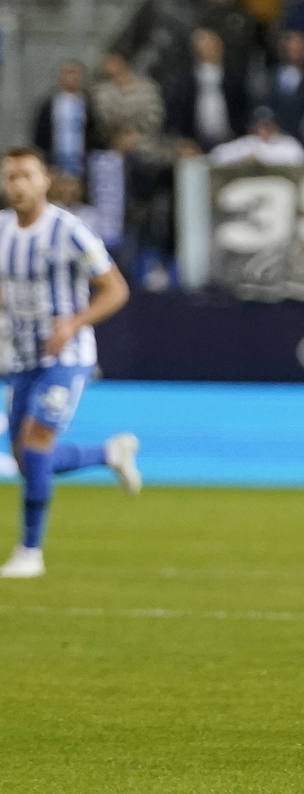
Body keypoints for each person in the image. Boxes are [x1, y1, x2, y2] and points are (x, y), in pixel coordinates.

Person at [0, 147, 141, 580]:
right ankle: (109, 453)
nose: (17, 185)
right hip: (19, 357)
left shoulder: (69, 230)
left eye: (26, 175)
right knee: (26, 458)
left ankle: (30, 551)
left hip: (67, 356)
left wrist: (74, 322)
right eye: (10, 177)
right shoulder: (2, 230)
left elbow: (115, 289)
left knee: (36, 443)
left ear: (45, 180)